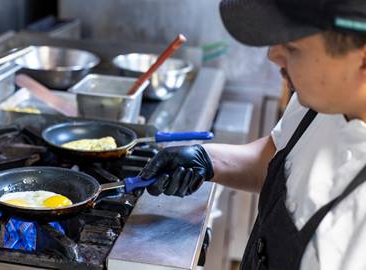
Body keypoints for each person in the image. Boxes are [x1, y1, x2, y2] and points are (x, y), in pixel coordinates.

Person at [139, 0, 366, 269]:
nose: (273, 55)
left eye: (292, 48)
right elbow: (276, 158)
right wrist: (206, 159)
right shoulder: (320, 102)